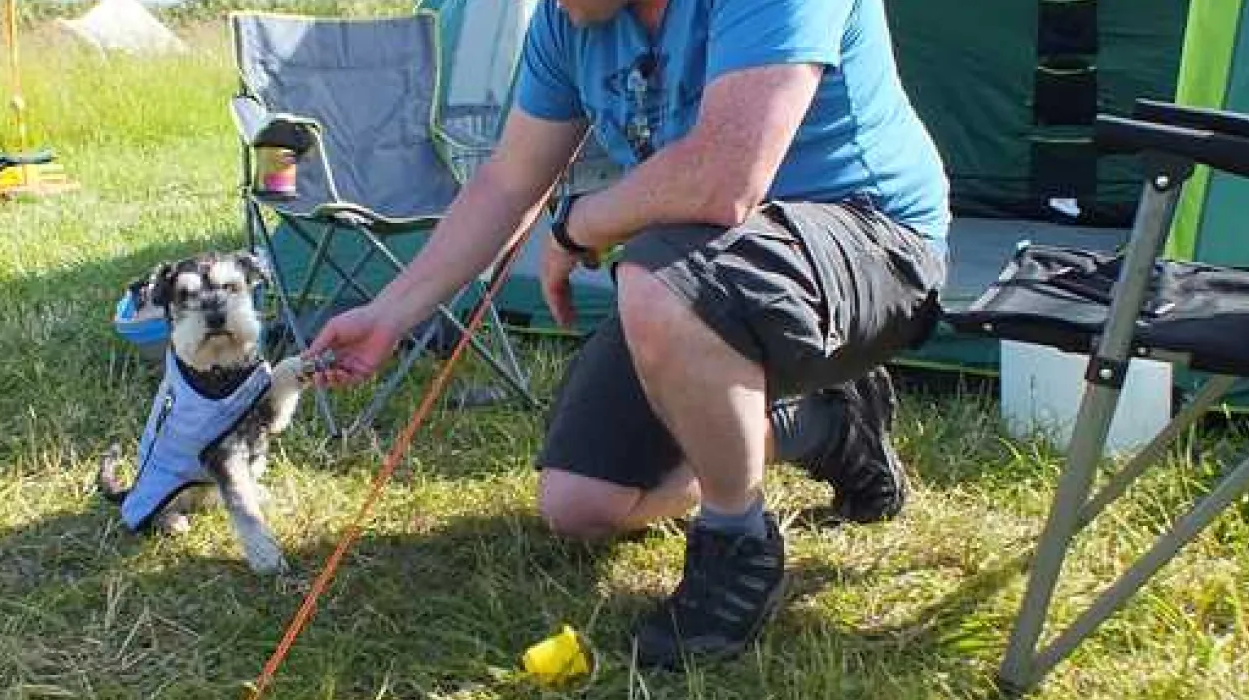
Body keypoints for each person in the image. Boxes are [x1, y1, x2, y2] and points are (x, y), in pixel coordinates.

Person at [305, 0, 951, 669]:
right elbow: (508, 178)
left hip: (876, 246)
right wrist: (388, 315)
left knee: (654, 277)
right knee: (580, 504)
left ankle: (737, 541)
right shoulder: (566, 23)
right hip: (715, 269)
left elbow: (724, 178)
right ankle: (823, 424)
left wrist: (577, 225)